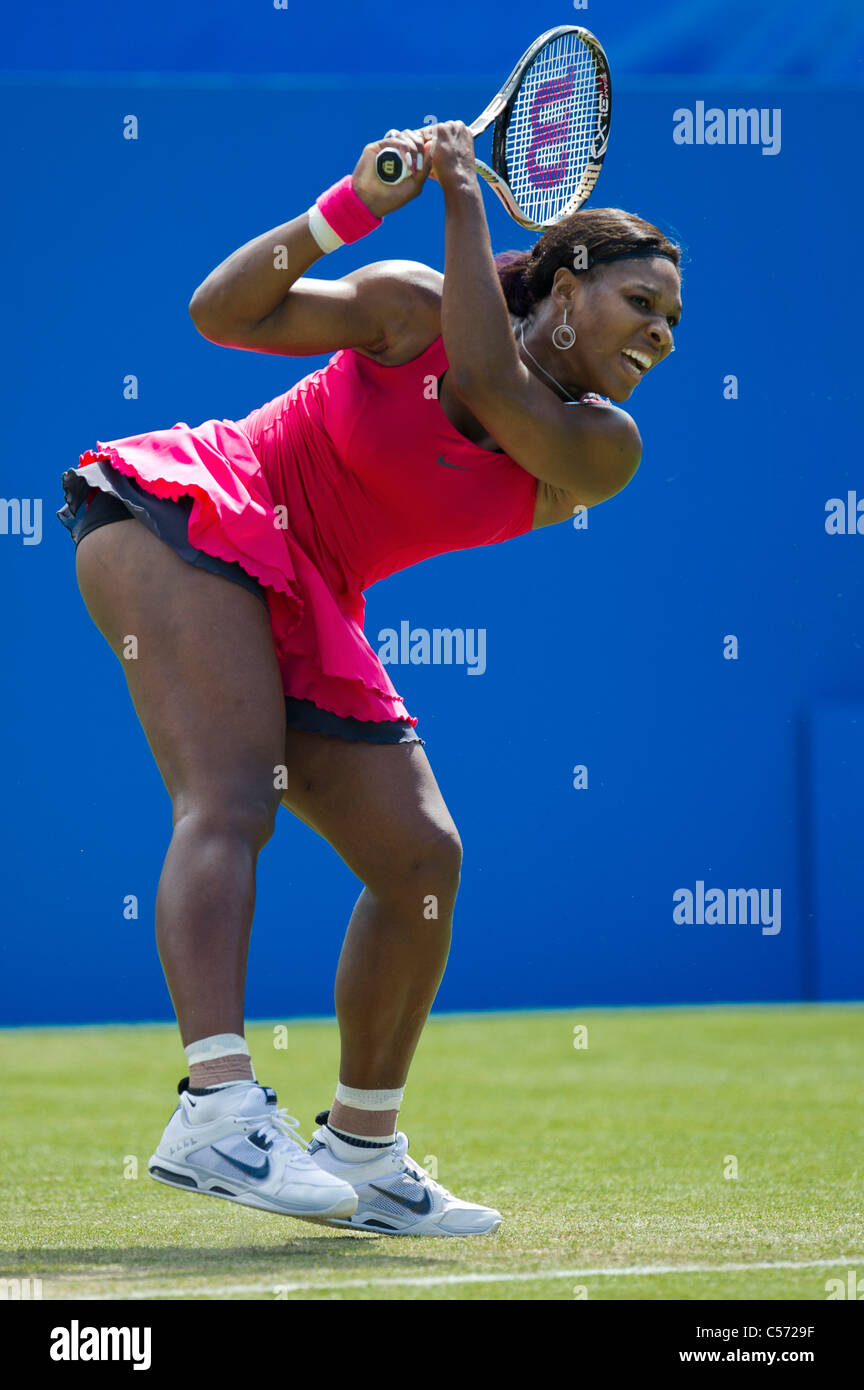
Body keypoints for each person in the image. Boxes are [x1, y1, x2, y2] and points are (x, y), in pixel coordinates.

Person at [57, 120, 683, 1237]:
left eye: (674, 322)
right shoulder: (407, 306)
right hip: (195, 512)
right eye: (643, 304)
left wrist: (454, 194)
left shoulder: (603, 446)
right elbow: (220, 313)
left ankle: (364, 1144)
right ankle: (215, 1106)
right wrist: (349, 205)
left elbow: (492, 384)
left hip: (312, 594)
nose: (661, 336)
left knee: (421, 859)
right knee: (231, 797)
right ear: (569, 284)